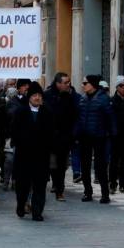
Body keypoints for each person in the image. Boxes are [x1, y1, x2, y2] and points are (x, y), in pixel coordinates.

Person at [11, 82, 55, 221]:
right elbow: (14, 131)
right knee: (22, 185)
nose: (37, 98)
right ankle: (21, 205)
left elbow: (52, 132)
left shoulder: (47, 112)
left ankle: (37, 212)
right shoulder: (21, 112)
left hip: (41, 155)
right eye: (34, 95)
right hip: (24, 155)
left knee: (40, 185)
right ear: (29, 97)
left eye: (39, 95)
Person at [75, 74, 116, 204]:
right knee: (85, 166)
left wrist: (112, 135)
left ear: (92, 84)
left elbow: (111, 118)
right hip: (85, 137)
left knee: (100, 166)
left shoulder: (104, 99)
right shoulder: (82, 99)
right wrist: (76, 134)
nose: (83, 85)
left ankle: (105, 194)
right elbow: (79, 119)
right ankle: (87, 192)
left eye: (85, 83)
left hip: (99, 137)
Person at [43, 72, 79, 201]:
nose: (68, 84)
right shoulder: (46, 96)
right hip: (50, 137)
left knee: (62, 165)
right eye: (65, 82)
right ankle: (53, 184)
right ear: (58, 84)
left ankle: (60, 190)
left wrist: (72, 134)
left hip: (65, 137)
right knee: (52, 164)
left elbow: (74, 116)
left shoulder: (69, 97)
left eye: (69, 82)